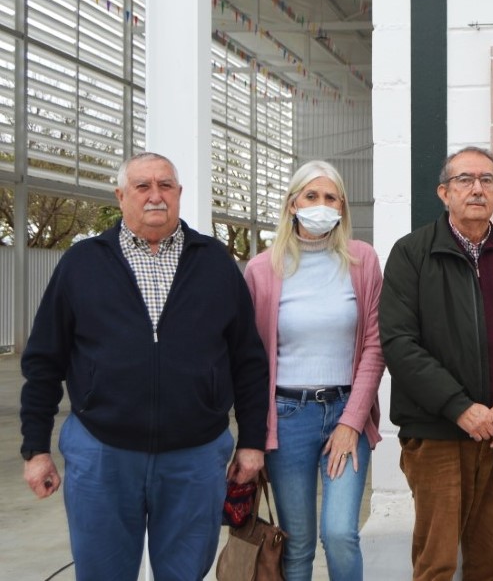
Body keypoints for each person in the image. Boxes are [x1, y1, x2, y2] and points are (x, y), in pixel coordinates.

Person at [19, 152, 269, 580]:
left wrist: (251, 441)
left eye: (166, 186)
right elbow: (44, 360)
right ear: (120, 196)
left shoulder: (214, 263)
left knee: (186, 573)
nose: (156, 196)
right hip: (102, 452)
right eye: (143, 186)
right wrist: (35, 448)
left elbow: (248, 360)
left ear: (179, 194)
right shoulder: (82, 264)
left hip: (194, 454)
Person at [379, 146, 493, 581]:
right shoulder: (411, 255)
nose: (477, 188)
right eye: (465, 180)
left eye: (487, 180)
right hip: (438, 434)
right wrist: (460, 407)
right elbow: (399, 343)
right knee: (436, 563)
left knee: (490, 565)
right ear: (444, 193)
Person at [244, 160, 384, 581]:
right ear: (292, 205)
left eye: (330, 197)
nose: (321, 205)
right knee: (298, 543)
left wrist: (351, 422)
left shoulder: (362, 261)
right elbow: (250, 359)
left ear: (342, 206)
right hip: (286, 420)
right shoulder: (262, 270)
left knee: (341, 533)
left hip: (345, 411)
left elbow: (375, 347)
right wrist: (253, 435)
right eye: (311, 196)